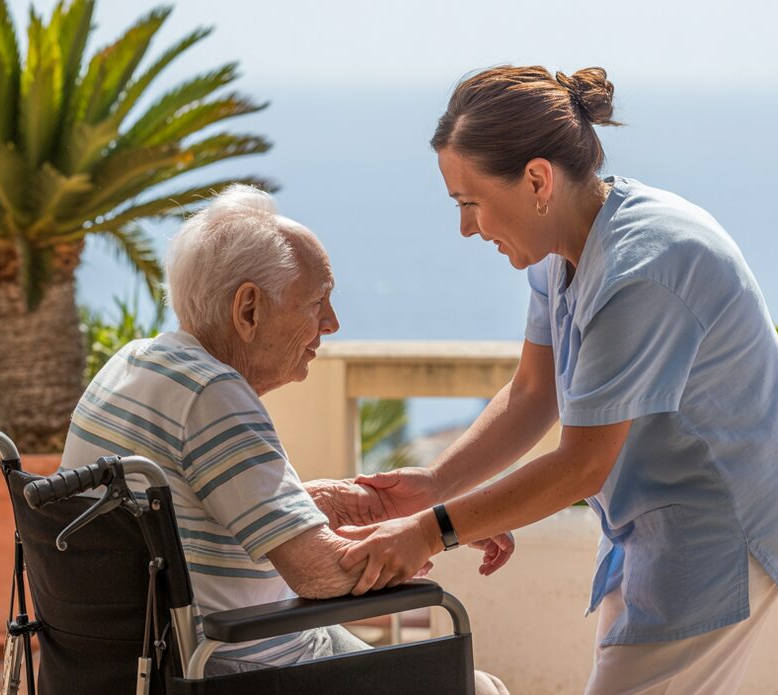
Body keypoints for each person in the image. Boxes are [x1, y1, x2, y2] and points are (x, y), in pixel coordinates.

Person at [338, 66, 778, 694]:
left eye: (470, 203)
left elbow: (580, 467)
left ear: (537, 180)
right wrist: (437, 486)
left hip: (723, 522)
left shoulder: (640, 269)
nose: (466, 227)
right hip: (656, 513)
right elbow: (534, 392)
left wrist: (430, 531)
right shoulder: (561, 246)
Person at [61, 185, 510, 693]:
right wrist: (440, 529)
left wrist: (354, 504)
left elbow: (206, 516)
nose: (332, 323)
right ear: (248, 309)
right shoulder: (213, 395)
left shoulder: (135, 365)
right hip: (248, 671)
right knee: (479, 688)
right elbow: (319, 574)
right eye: (317, 301)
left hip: (133, 668)